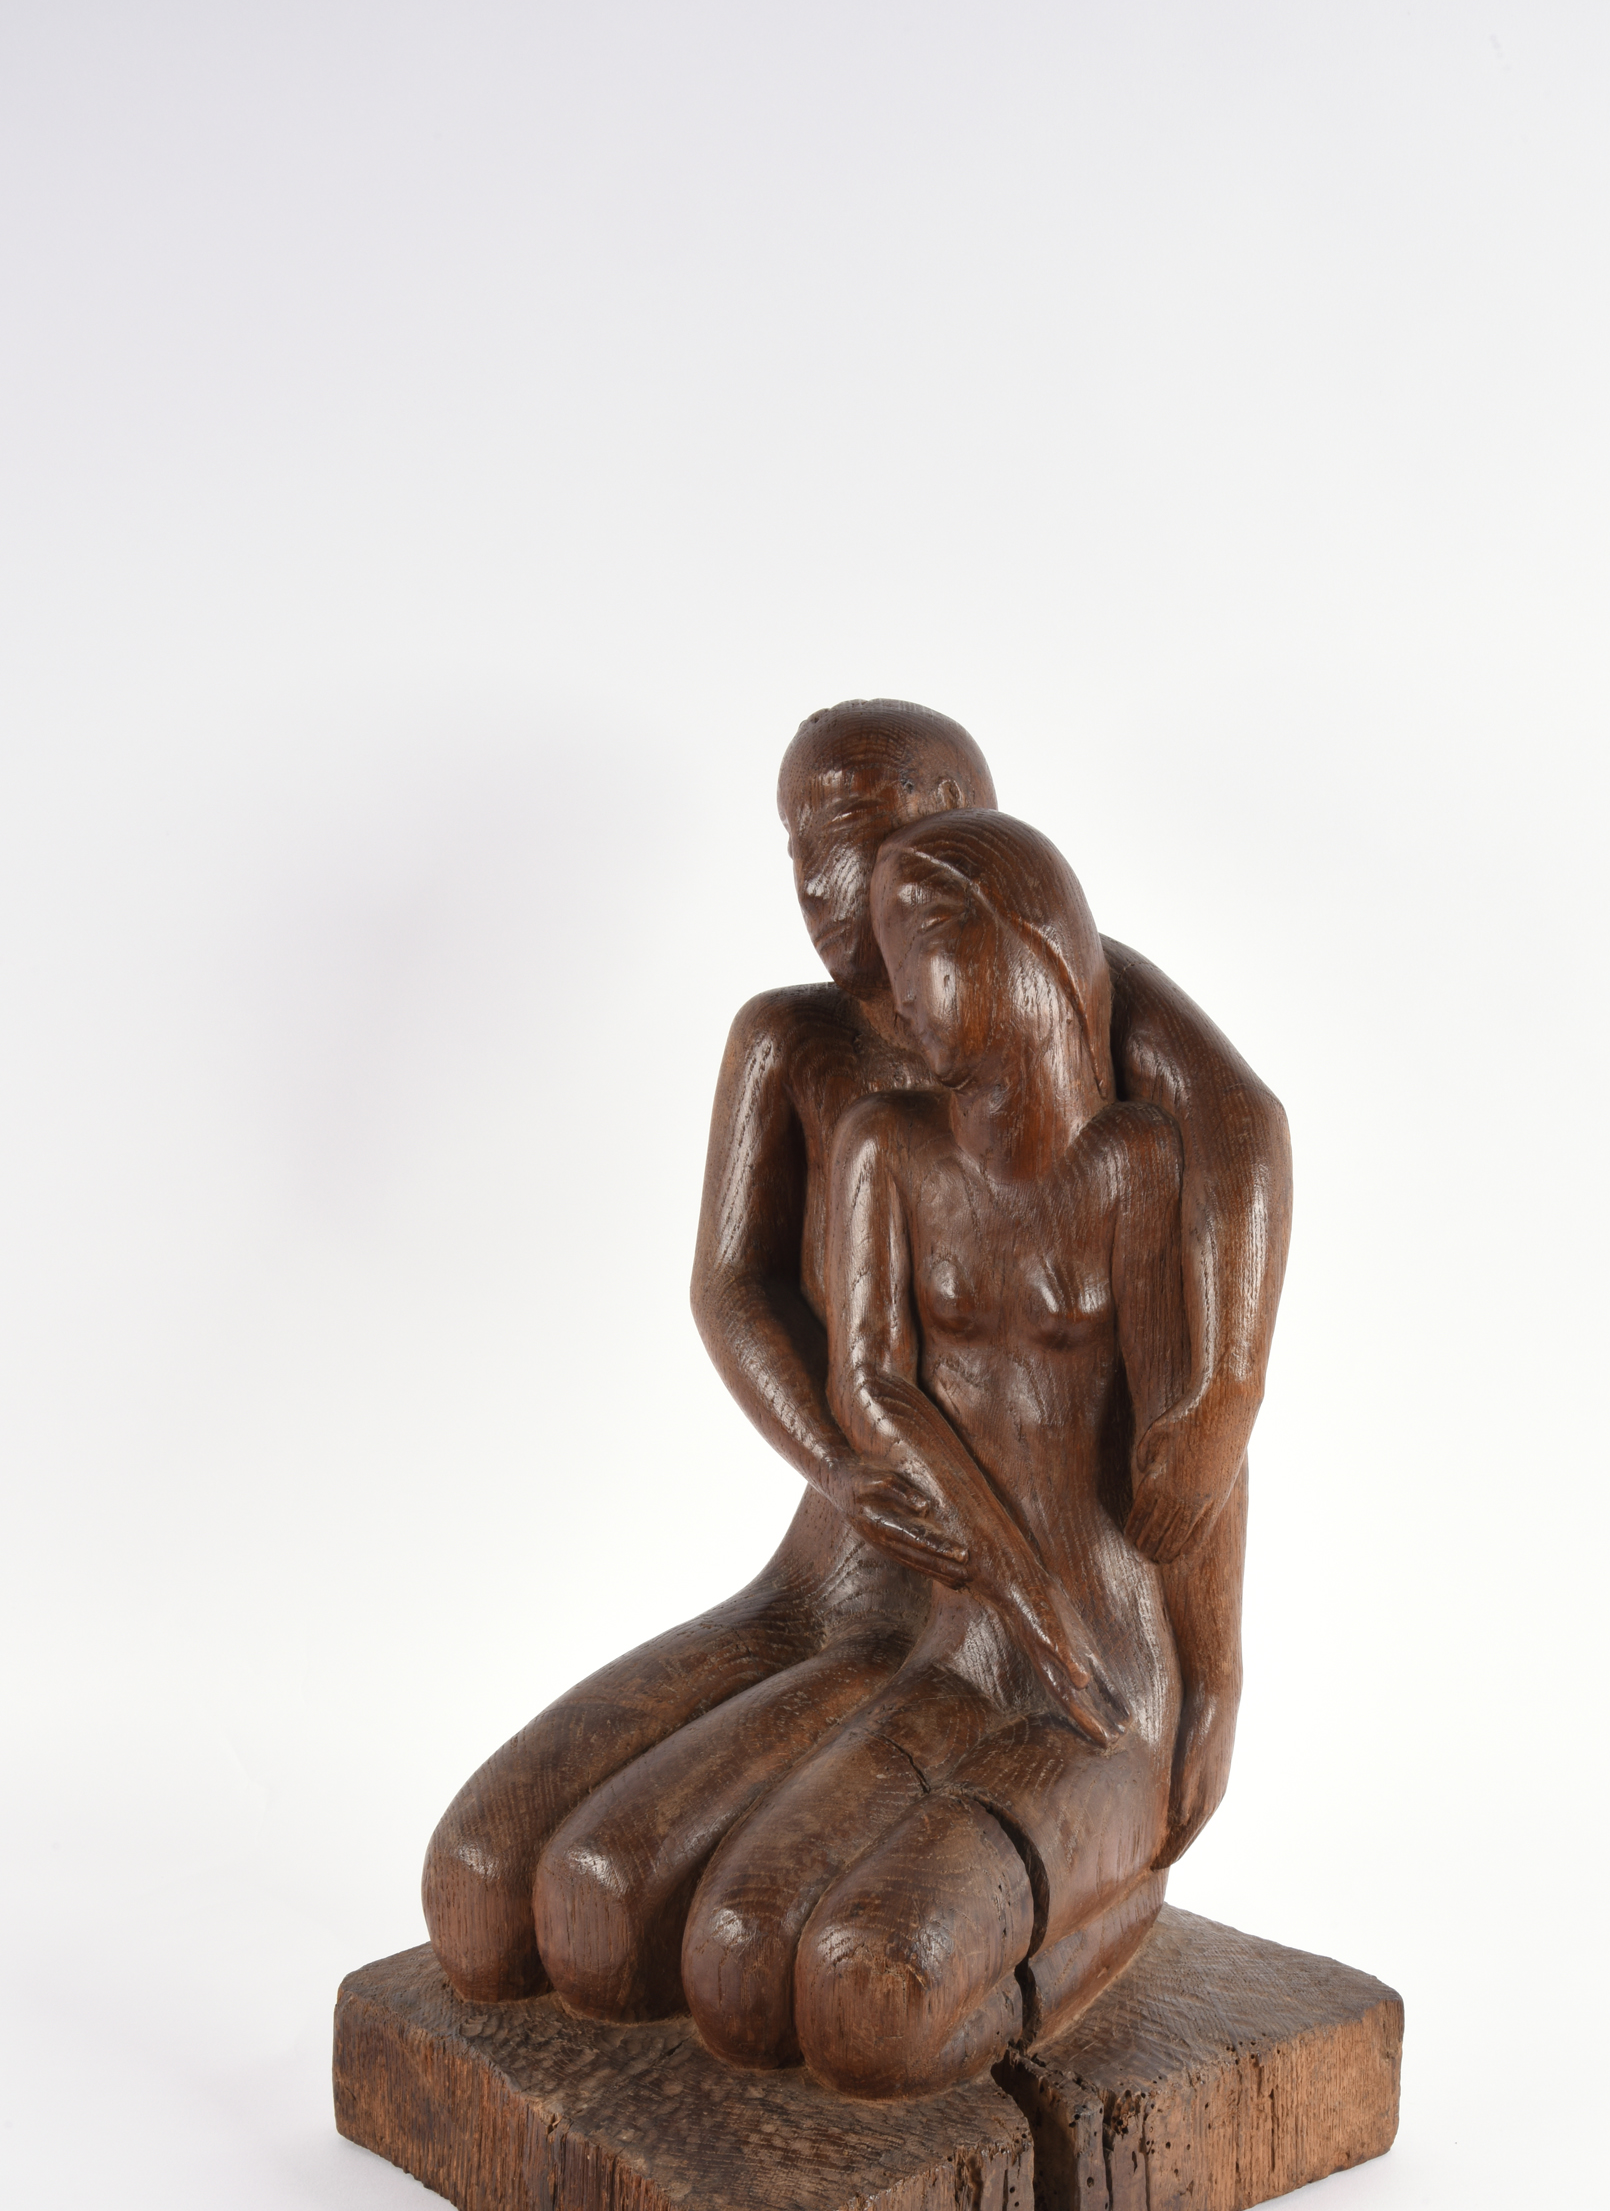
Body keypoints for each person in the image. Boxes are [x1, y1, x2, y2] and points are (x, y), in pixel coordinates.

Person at [422, 699, 1290, 2012]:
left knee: (778, 1959)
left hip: (1038, 1615)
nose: (827, 885)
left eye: (860, 841)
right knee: (495, 1883)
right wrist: (841, 1464)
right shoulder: (797, 1045)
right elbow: (734, 1287)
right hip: (842, 1563)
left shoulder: (1085, 1024)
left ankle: (1026, 1944)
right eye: (800, 848)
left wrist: (1223, 1398)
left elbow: (1243, 1126)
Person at [679, 811, 1189, 2094]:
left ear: (1019, 946)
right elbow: (872, 1383)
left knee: (869, 1999)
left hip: (1103, 1686)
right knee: (737, 1959)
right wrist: (1012, 1588)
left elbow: (1194, 1468)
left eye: (922, 949)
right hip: (957, 1652)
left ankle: (1099, 1925)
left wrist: (1215, 1690)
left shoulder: (1132, 1164)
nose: (894, 993)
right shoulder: (886, 1145)